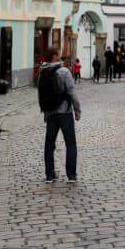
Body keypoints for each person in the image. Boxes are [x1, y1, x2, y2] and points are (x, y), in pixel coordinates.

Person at [38, 47, 81, 183]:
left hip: (50, 113)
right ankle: (71, 175)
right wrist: (77, 110)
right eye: (58, 54)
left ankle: (50, 175)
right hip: (65, 113)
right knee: (70, 144)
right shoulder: (64, 71)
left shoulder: (43, 71)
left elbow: (42, 94)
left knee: (49, 145)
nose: (60, 56)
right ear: (55, 55)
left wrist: (45, 112)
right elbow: (72, 92)